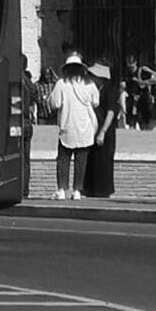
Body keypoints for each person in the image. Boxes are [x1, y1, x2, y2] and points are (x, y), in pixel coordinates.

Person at [52, 53, 99, 200]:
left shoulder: (61, 84)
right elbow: (96, 102)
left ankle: (61, 190)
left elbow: (55, 103)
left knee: (63, 159)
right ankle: (77, 190)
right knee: (81, 160)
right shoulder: (90, 84)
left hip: (67, 126)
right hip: (84, 126)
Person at [84, 62, 120, 202]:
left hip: (105, 130)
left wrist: (103, 131)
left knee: (104, 161)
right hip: (93, 128)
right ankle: (90, 189)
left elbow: (111, 112)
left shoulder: (109, 90)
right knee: (92, 159)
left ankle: (103, 190)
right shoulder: (94, 89)